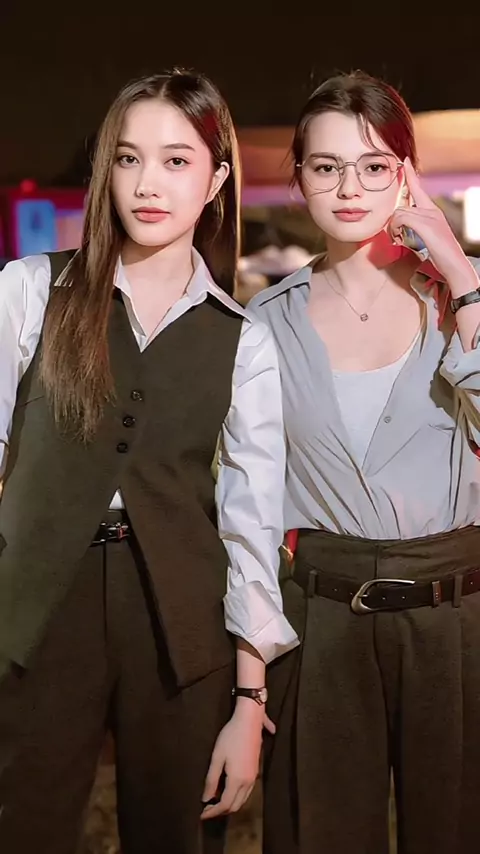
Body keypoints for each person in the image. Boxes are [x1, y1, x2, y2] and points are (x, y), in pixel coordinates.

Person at [0, 68, 298, 854]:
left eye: (176, 160)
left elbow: (252, 530)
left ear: (217, 180)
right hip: (34, 610)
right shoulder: (30, 291)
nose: (147, 183)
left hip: (181, 627)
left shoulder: (245, 341)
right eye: (128, 159)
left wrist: (249, 701)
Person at [250, 71, 480, 854]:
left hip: (456, 615)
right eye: (327, 166)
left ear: (407, 174)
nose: (350, 188)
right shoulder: (263, 323)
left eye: (374, 165)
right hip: (322, 617)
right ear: (300, 177)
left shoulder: (463, 300)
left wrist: (461, 276)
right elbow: (244, 498)